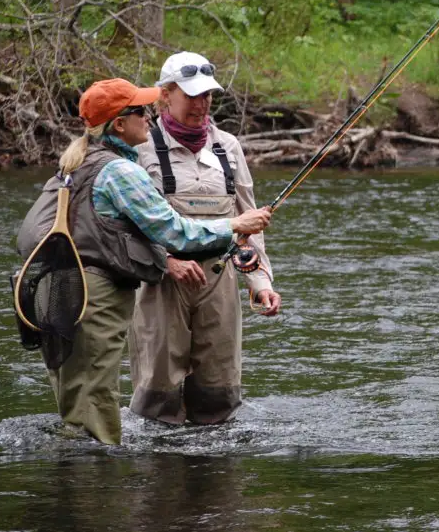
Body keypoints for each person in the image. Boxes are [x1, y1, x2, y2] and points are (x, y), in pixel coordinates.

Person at [16, 78, 273, 445]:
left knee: (78, 402)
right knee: (96, 407)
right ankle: (95, 489)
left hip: (61, 293)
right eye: (140, 111)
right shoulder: (120, 172)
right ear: (119, 124)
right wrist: (235, 224)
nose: (150, 117)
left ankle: (76, 485)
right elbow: (176, 232)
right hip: (94, 298)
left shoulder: (76, 163)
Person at [128, 51, 281, 426]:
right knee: (157, 401)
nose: (202, 103)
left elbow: (247, 224)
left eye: (208, 95)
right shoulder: (138, 148)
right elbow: (125, 227)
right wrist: (167, 262)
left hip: (220, 279)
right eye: (192, 95)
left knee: (219, 397)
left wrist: (260, 283)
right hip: (162, 282)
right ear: (165, 95)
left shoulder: (228, 146)